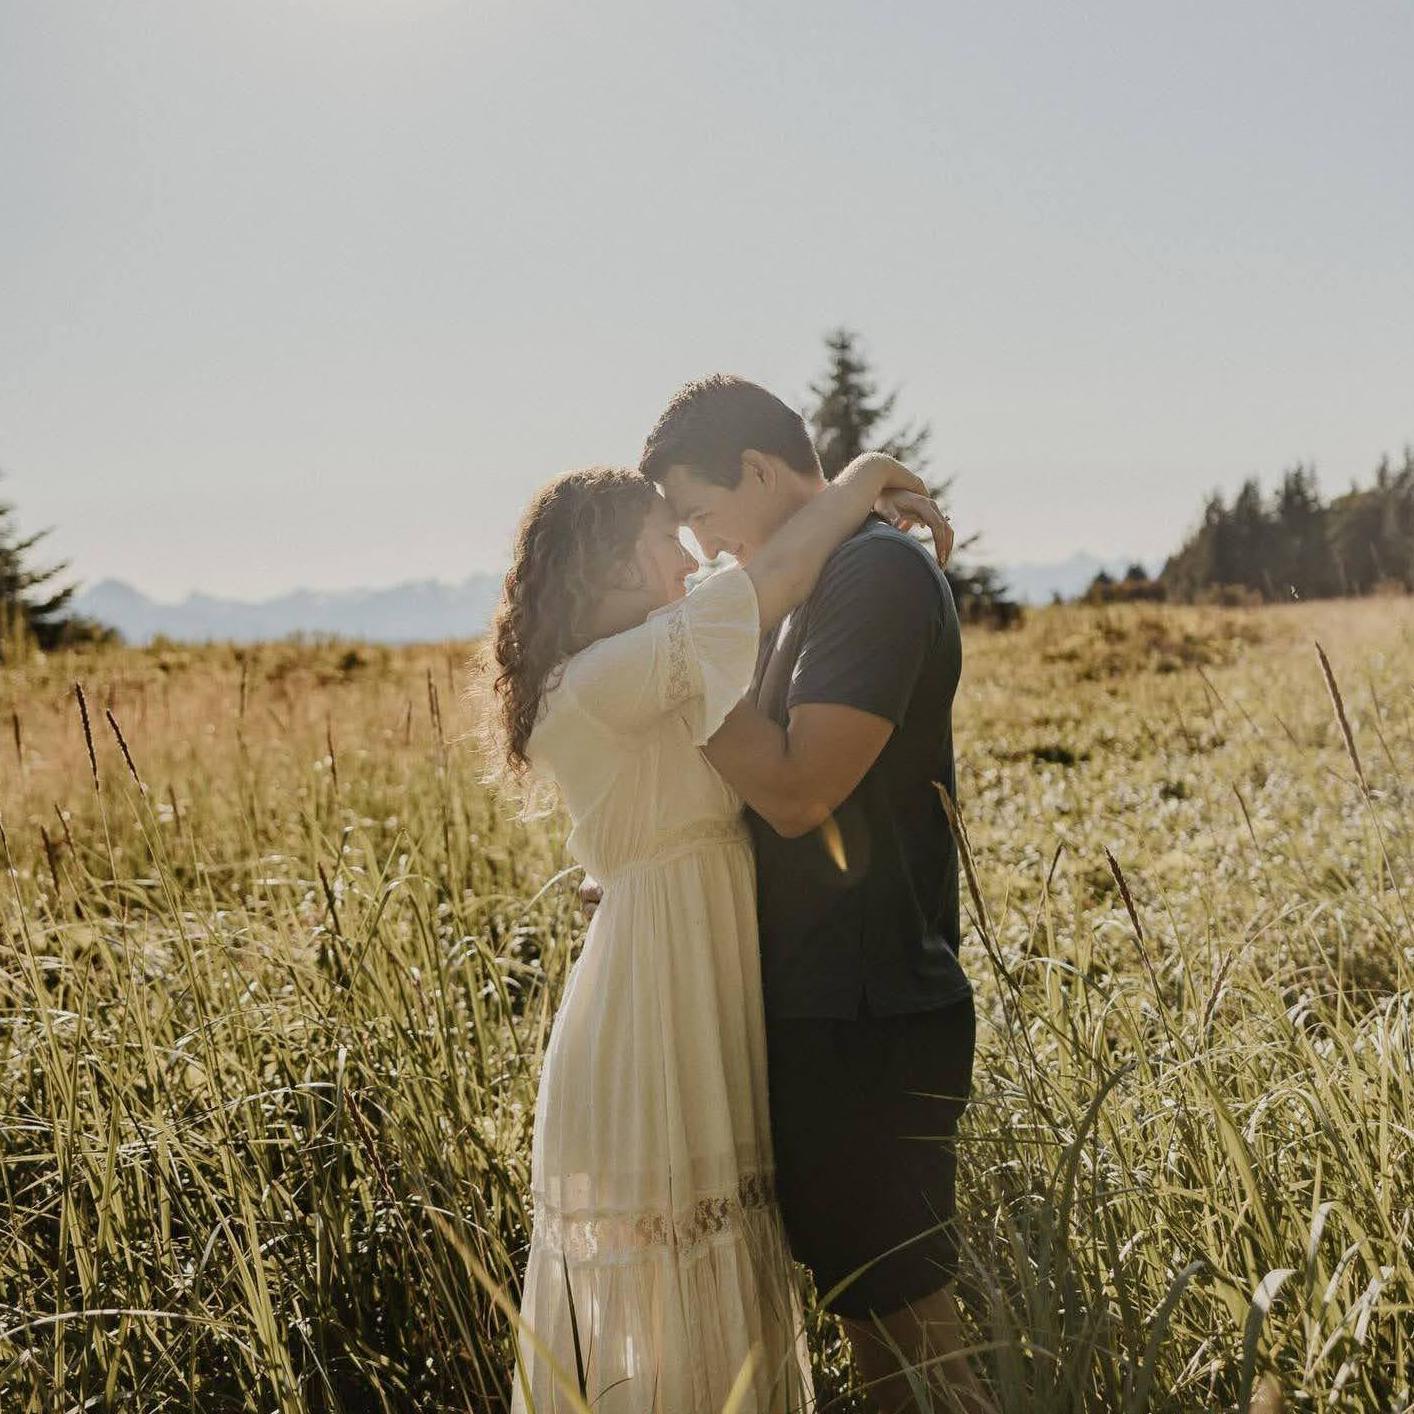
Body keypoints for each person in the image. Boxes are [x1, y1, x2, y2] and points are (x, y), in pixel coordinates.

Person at [490, 451, 951, 1412]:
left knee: (714, 1261)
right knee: (664, 1277)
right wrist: (862, 476)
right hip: (652, 998)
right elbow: (775, 580)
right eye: (668, 542)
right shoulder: (605, 675)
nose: (691, 561)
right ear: (608, 564)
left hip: (699, 979)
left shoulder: (656, 662)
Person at [633, 374, 994, 1414]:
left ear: (757, 469)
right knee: (876, 1350)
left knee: (926, 1357)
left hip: (871, 1013)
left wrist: (674, 687)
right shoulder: (821, 575)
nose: (703, 548)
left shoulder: (874, 576)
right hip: (823, 1007)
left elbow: (796, 790)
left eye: (702, 514)